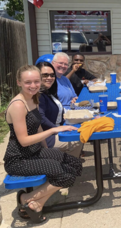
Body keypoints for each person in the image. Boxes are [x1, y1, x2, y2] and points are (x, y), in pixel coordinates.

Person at [3, 65, 82, 223]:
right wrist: (54, 130)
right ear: (19, 82)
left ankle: (32, 201)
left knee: (75, 164)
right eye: (28, 82)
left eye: (36, 81)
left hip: (35, 152)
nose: (33, 85)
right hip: (19, 159)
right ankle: (30, 202)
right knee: (67, 175)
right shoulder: (18, 105)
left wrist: (48, 151)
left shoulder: (34, 98)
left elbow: (38, 126)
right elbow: (23, 141)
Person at [37, 62, 84, 158]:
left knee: (82, 128)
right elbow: (40, 118)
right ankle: (69, 168)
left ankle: (67, 164)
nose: (49, 78)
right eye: (45, 75)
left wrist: (65, 121)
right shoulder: (39, 95)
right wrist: (57, 129)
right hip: (46, 136)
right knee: (77, 140)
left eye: (52, 75)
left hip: (56, 128)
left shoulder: (49, 92)